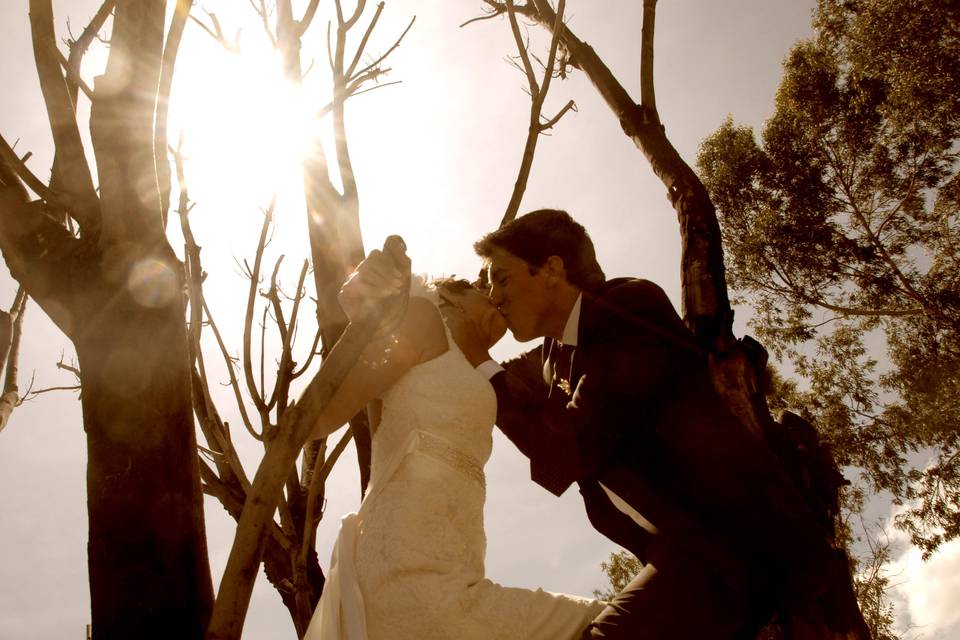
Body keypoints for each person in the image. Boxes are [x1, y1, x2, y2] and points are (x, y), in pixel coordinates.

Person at [442, 209, 839, 639]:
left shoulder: (629, 307)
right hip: (686, 555)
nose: (496, 295)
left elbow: (564, 448)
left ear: (551, 269)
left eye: (502, 278)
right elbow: (491, 378)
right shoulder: (554, 357)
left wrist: (477, 356)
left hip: (740, 544)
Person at [302, 237, 604, 640]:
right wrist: (364, 322)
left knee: (611, 621)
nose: (496, 298)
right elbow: (318, 415)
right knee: (607, 620)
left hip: (451, 572)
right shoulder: (426, 321)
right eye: (484, 288)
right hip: (407, 573)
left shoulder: (482, 367)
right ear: (449, 297)